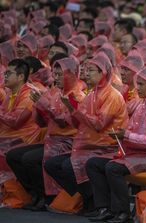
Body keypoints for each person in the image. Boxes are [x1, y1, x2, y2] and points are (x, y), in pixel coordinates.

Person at [85, 64, 146, 223]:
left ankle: (123, 212)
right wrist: (121, 136)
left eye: (141, 85)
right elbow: (133, 131)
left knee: (113, 168)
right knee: (93, 163)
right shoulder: (142, 104)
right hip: (136, 155)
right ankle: (104, 208)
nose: (138, 88)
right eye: (137, 84)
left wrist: (126, 135)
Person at [44, 52, 128, 215]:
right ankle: (88, 197)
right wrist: (71, 109)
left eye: (90, 70)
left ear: (102, 73)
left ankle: (95, 202)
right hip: (88, 146)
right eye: (86, 70)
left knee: (69, 166)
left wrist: (74, 109)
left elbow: (98, 125)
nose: (86, 74)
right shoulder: (92, 94)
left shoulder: (112, 96)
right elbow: (77, 124)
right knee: (51, 165)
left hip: (106, 148)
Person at [6, 56, 85, 211]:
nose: (56, 78)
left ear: (70, 74)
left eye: (60, 74)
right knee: (13, 155)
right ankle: (34, 193)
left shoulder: (76, 96)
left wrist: (43, 104)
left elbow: (64, 122)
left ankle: (45, 196)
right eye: (54, 74)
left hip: (67, 143)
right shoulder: (54, 92)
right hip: (51, 140)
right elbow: (42, 123)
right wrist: (37, 105)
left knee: (29, 159)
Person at [0, 59, 41, 183]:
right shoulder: (9, 93)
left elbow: (16, 121)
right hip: (8, 136)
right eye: (5, 73)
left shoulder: (30, 94)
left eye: (8, 74)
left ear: (21, 76)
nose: (5, 76)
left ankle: (16, 195)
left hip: (23, 138)